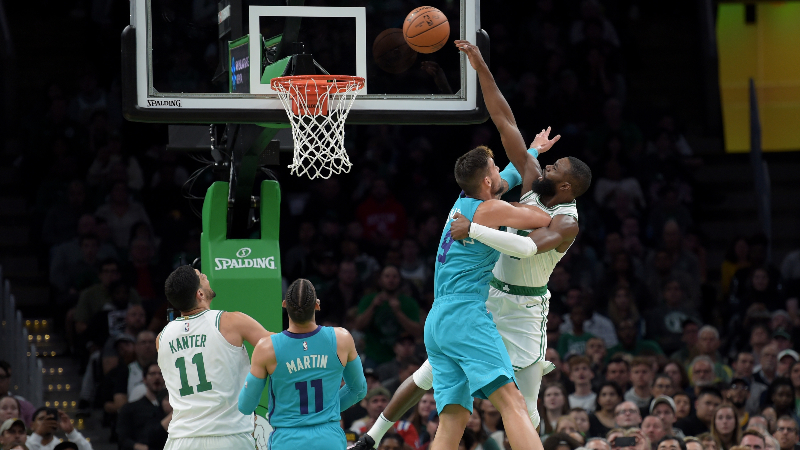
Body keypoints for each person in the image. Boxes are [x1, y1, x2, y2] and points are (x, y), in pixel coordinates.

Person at [353, 40, 576, 450]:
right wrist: (480, 67)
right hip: (472, 313)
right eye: (497, 170)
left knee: (455, 416)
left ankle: (372, 435)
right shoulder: (495, 209)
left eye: (552, 165)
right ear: (490, 183)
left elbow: (512, 156)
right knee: (512, 405)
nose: (541, 164)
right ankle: (374, 433)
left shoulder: (472, 201)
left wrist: (529, 154)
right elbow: (535, 217)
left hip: (459, 317)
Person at [240, 278, 367, 450]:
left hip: (287, 440)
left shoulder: (267, 347)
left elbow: (246, 406)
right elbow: (358, 390)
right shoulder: (341, 338)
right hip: (329, 439)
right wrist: (328, 410)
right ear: (317, 305)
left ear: (284, 304)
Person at [156, 265, 272, 450]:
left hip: (181, 440)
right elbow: (283, 345)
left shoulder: (161, 338)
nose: (206, 276)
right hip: (228, 437)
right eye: (202, 276)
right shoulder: (230, 322)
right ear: (200, 294)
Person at [116, 362, 165, 450]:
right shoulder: (130, 409)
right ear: (144, 379)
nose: (157, 377)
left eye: (161, 374)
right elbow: (123, 439)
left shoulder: (170, 409)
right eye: (152, 374)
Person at [27, 408, 92, 450]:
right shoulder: (24, 442)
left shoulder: (61, 447)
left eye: (50, 420)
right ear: (32, 425)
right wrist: (38, 433)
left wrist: (72, 432)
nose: (46, 423)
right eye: (41, 419)